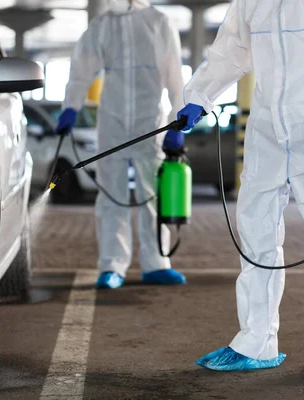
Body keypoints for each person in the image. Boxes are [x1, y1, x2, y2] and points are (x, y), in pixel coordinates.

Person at [178, 0, 304, 381]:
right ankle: (256, 341)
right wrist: (199, 96)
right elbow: (231, 51)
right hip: (266, 127)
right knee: (254, 229)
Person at [56, 0, 187, 289]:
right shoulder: (103, 25)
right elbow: (81, 69)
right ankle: (112, 265)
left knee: (152, 194)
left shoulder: (159, 22)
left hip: (149, 121)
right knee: (110, 194)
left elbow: (175, 76)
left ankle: (157, 264)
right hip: (112, 121)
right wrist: (70, 107)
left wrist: (179, 120)